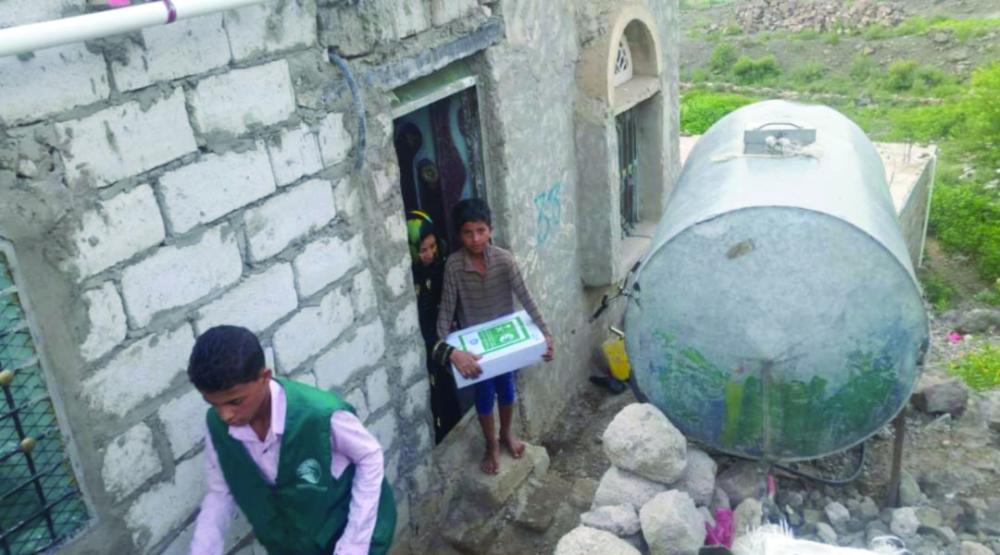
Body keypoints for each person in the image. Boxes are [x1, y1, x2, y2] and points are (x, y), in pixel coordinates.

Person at [187, 325, 396, 555]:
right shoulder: (218, 426)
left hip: (350, 533)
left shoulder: (320, 414)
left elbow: (369, 456)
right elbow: (220, 491)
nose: (225, 415)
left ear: (264, 378)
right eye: (213, 404)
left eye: (235, 401)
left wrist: (354, 544)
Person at [430, 198, 554, 475]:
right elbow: (444, 316)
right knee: (484, 396)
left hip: (506, 343)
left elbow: (527, 298)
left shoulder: (504, 260)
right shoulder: (454, 267)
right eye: (467, 233)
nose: (475, 239)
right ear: (459, 235)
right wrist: (451, 352)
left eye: (481, 231)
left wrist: (546, 334)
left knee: (507, 388)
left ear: (491, 230)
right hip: (477, 349)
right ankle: (491, 444)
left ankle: (506, 433)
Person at [406, 210, 463, 444]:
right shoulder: (410, 281)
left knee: (449, 397)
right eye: (423, 250)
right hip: (427, 349)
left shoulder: (440, 266)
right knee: (435, 402)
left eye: (432, 247)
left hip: (443, 340)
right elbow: (420, 325)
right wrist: (446, 351)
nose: (430, 254)